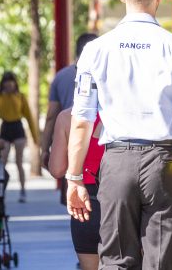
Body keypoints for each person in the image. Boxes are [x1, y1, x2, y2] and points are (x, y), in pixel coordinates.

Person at [65, 0, 172, 270]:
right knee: (162, 263)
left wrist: (74, 178)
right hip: (164, 164)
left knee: (116, 261)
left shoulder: (95, 50)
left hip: (116, 162)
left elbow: (81, 121)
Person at [48, 108, 105, 270]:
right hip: (123, 200)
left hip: (85, 205)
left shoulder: (67, 117)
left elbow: (57, 169)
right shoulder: (123, 112)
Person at [40, 33, 99, 170]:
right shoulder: (107, 74)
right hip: (99, 142)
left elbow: (51, 116)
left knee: (69, 177)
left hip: (69, 139)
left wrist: (45, 149)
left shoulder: (61, 76)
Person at [0, 71, 38, 203]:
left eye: (11, 82)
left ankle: (22, 190)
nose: (9, 85)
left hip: (17, 127)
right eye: (6, 83)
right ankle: (0, 191)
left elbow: (29, 116)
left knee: (19, 162)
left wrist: (35, 137)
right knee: (2, 161)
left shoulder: (20, 96)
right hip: (5, 127)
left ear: (14, 83)